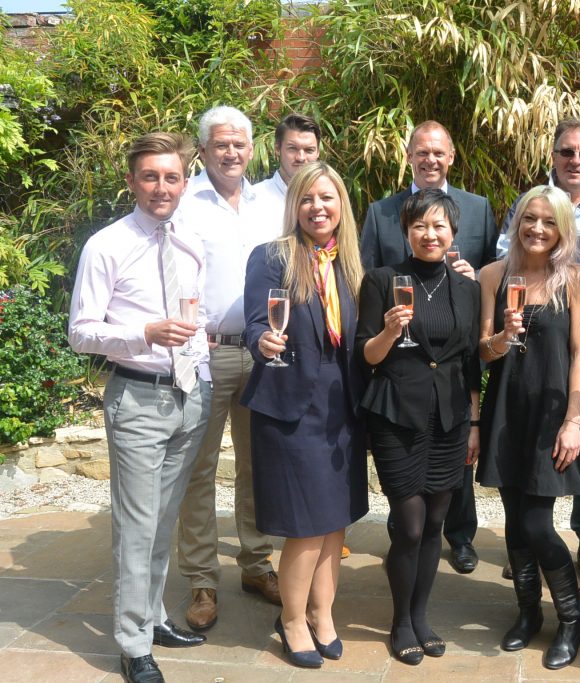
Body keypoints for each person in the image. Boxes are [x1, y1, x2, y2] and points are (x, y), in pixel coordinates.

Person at [68, 132, 211, 683]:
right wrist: (145, 333)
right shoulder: (106, 246)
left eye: (171, 177)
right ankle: (131, 644)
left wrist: (195, 359)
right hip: (137, 397)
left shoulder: (190, 241)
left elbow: (192, 314)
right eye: (150, 176)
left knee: (163, 520)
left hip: (187, 395)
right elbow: (82, 333)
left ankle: (151, 617)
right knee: (135, 524)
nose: (161, 187)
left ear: (183, 182)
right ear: (131, 182)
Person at [241, 161, 367, 669]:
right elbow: (254, 322)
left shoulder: (352, 262)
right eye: (308, 198)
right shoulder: (271, 257)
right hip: (293, 405)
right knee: (307, 525)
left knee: (336, 522)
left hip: (343, 406)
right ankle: (292, 620)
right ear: (294, 205)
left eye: (328, 198)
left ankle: (323, 613)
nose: (318, 207)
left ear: (342, 206)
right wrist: (261, 340)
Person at [360, 120, 495, 574]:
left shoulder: (477, 208)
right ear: (410, 156)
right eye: (422, 152)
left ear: (451, 156)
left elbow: (491, 269)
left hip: (454, 355)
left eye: (439, 152)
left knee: (449, 476)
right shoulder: (381, 212)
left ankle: (461, 539)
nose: (431, 159)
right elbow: (367, 274)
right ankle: (404, 542)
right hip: (400, 362)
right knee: (410, 514)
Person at [356, 189, 482, 665]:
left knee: (435, 522)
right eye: (420, 227)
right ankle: (400, 620)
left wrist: (473, 421)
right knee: (408, 524)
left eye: (439, 226)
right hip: (396, 414)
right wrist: (388, 331)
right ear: (406, 232)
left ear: (453, 233)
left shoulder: (467, 288)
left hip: (449, 418)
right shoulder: (382, 280)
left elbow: (471, 362)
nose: (430, 234)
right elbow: (365, 355)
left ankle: (422, 615)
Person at [476, 185, 580, 669]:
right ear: (517, 222)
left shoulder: (577, 280)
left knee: (536, 522)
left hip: (551, 417)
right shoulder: (493, 275)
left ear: (563, 228)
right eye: (530, 219)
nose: (538, 229)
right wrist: (502, 336)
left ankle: (570, 617)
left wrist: (573, 420)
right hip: (507, 412)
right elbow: (483, 352)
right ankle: (527, 615)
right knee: (514, 523)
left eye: (549, 221)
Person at [176, 106, 282, 631]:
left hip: (261, 349)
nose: (232, 152)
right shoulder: (184, 203)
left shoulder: (267, 202)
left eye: (240, 143)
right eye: (221, 144)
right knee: (198, 469)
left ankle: (257, 564)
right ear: (203, 149)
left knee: (256, 463)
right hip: (206, 349)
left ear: (252, 147)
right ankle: (201, 581)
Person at [498, 117, 580, 586]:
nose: (576, 161)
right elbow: (508, 261)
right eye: (567, 152)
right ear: (553, 156)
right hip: (540, 341)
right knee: (532, 471)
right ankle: (528, 550)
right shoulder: (529, 203)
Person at [253, 113, 321, 212]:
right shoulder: (255, 199)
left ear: (318, 152)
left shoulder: (328, 199)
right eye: (292, 148)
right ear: (277, 148)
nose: (301, 158)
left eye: (309, 150)